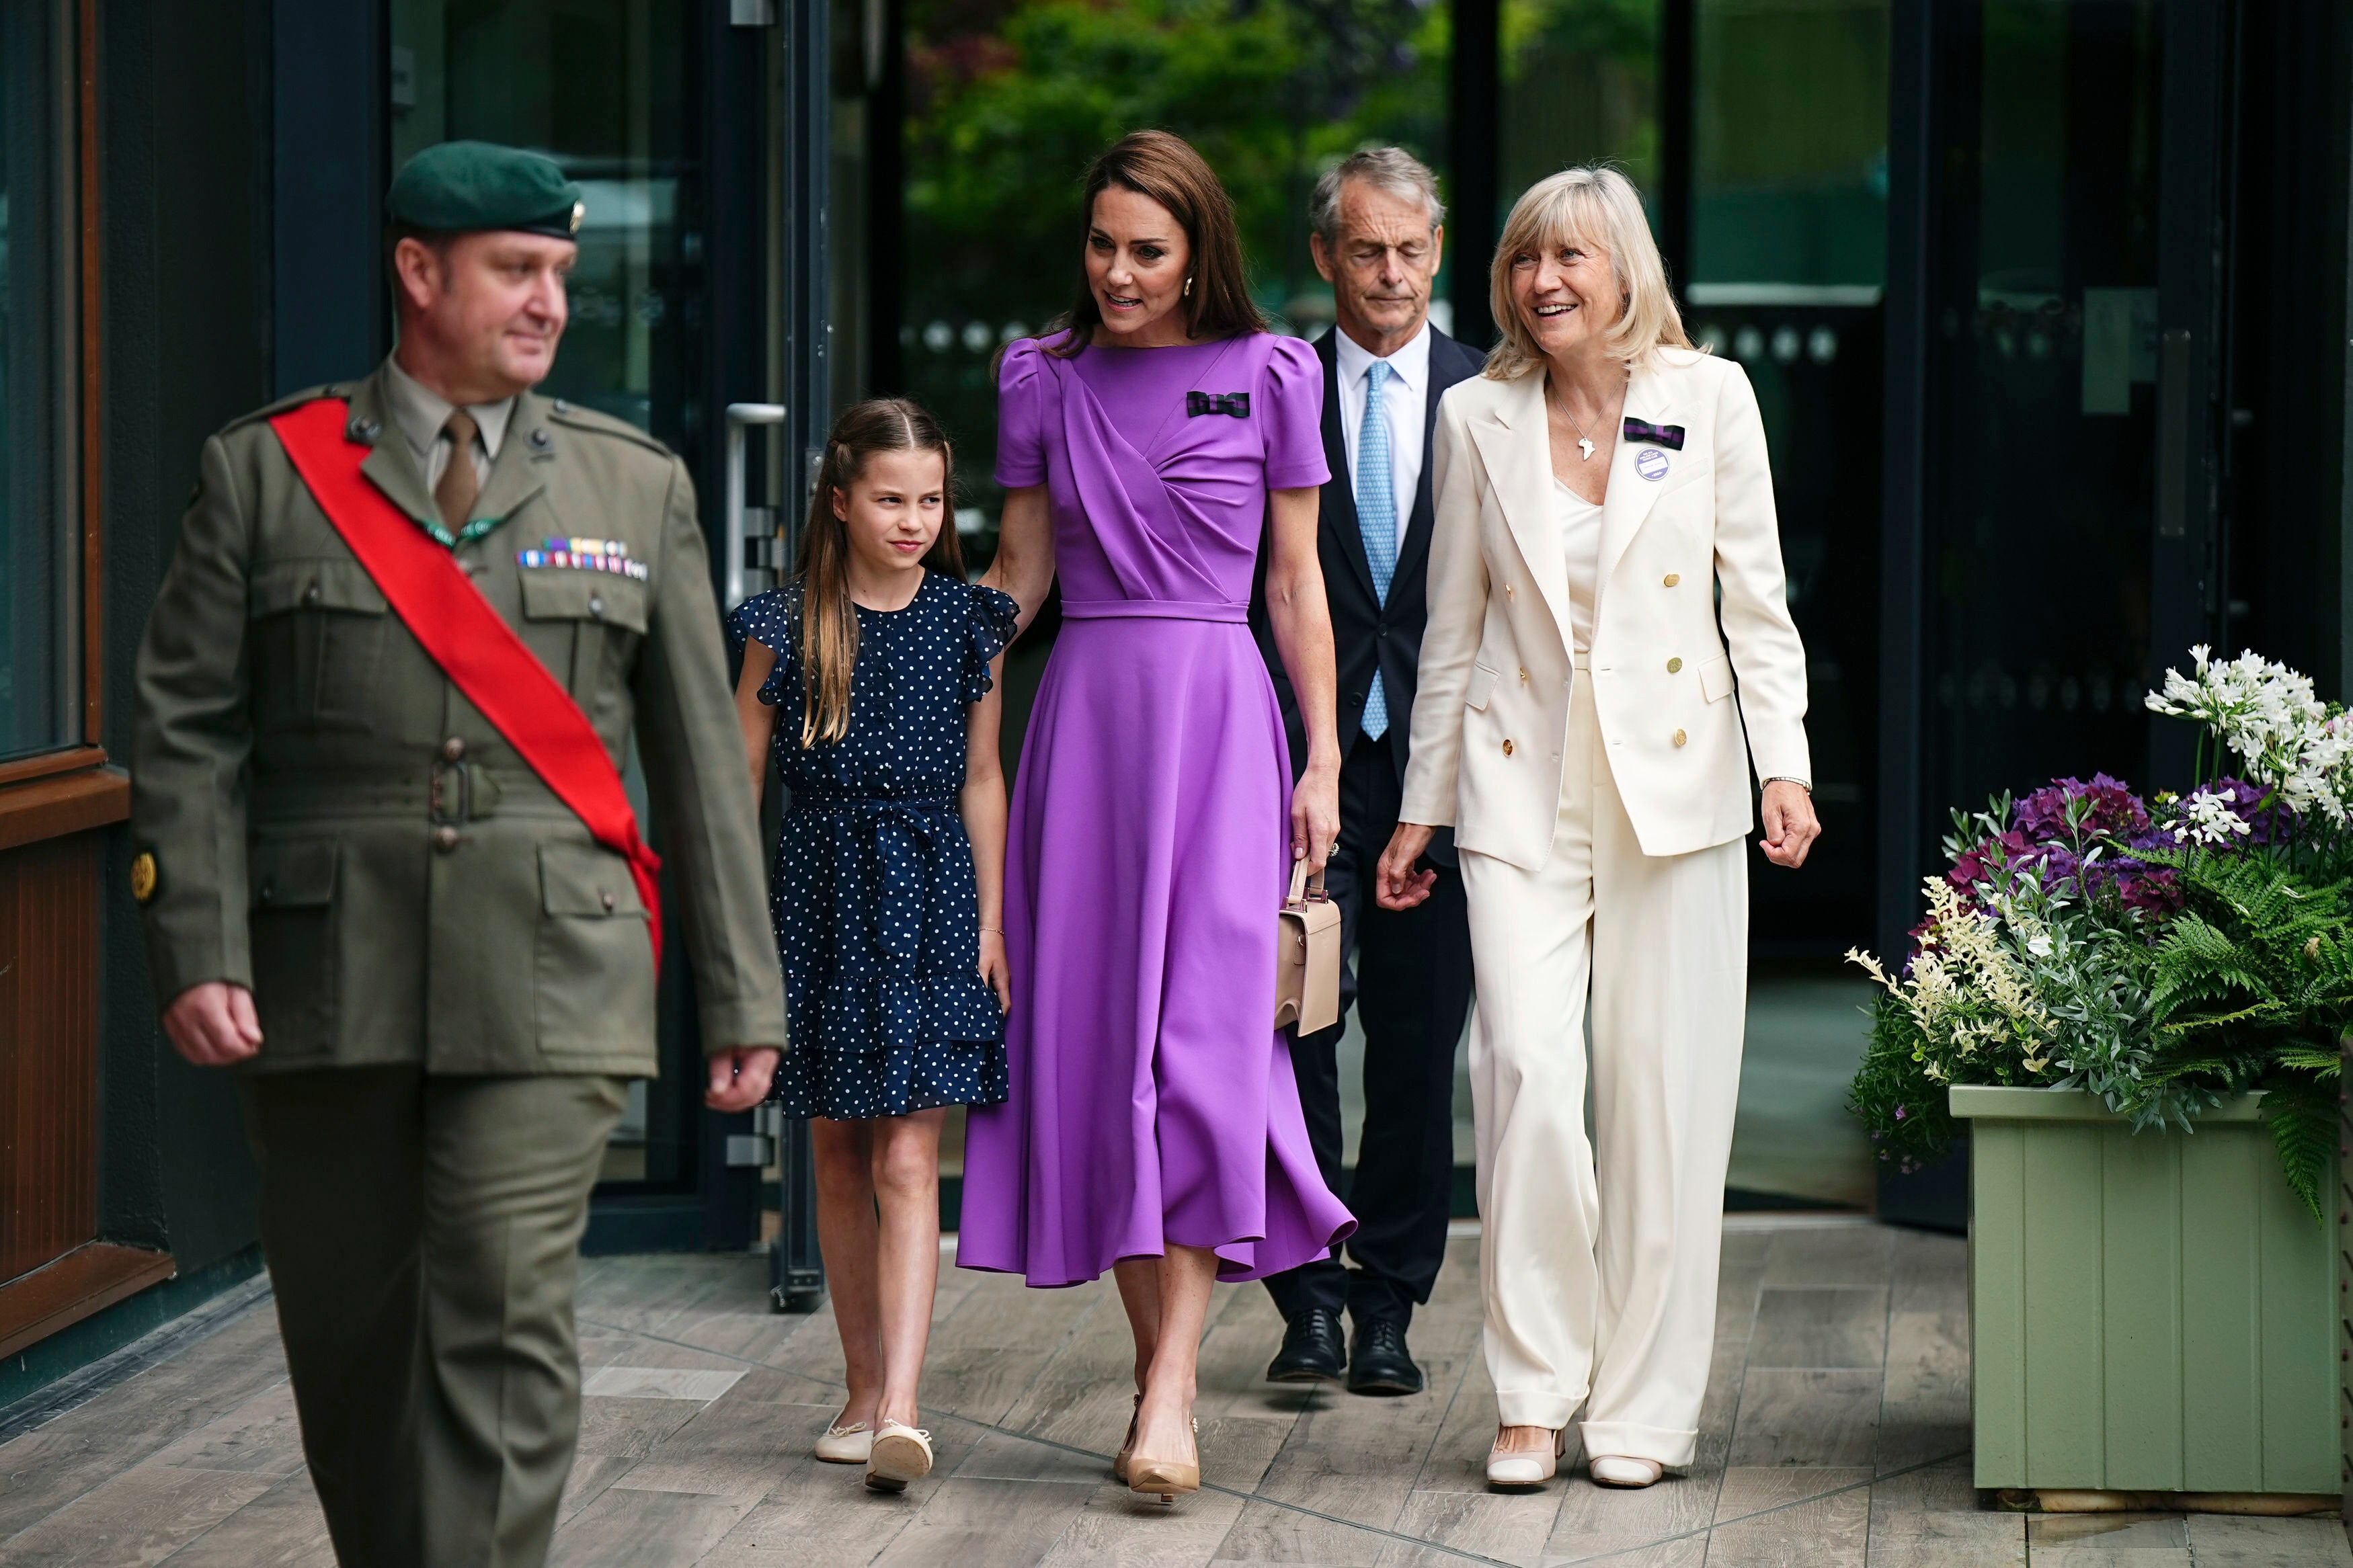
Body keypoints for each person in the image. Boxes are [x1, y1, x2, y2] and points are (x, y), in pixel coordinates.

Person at [130, 141, 787, 1568]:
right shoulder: (264, 473)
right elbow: (185, 731)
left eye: (560, 272)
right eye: (516, 271)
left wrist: (744, 997)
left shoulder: (632, 485)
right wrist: (199, 943)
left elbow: (698, 762)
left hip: (555, 972)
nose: (551, 301)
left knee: (501, 1321)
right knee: (354, 1338)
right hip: (322, 972)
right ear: (418, 272)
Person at [1376, 166, 1819, 1491]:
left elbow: (1758, 605)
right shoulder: (1474, 416)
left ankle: (1638, 1412)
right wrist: (1420, 811)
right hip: (1519, 792)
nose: (1543, 280)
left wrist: (1782, 769)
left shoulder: (1710, 399)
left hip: (1675, 792)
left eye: (1570, 255)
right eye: (1522, 259)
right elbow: (1449, 633)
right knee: (1521, 1075)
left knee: (1662, 1111)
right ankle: (1530, 1390)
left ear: (1625, 272)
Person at [959, 128, 1355, 1503]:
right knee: (1098, 1066)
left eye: (1147, 251)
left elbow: (1296, 587)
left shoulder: (1271, 375)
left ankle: (1173, 1382)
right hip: (1085, 734)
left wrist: (1323, 762)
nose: (1117, 273)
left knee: (1200, 1061)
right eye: (1101, 245)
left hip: (1224, 732)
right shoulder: (1041, 377)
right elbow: (1017, 574)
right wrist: (914, 669)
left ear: (1199, 255)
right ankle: (1161, 1373)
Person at [727, 398, 1018, 1494]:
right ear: (841, 500)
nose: (913, 519)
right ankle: (859, 1391)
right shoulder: (784, 622)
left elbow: (984, 775)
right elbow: (736, 783)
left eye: (931, 499)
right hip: (816, 896)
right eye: (891, 499)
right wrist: (739, 939)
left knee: (907, 1150)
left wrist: (992, 917)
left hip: (935, 892)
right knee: (837, 1152)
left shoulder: (967, 621)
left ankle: (903, 1403)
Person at [1248, 148, 1482, 1399]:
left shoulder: (1491, 391)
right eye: (1364, 250)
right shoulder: (1273, 383)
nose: (1388, 274)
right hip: (1297, 760)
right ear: (1325, 256)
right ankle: (1311, 1294)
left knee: (1415, 1041)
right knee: (1293, 1029)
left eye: (1409, 249)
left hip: (1445, 772)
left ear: (1437, 252)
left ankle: (1393, 1299)